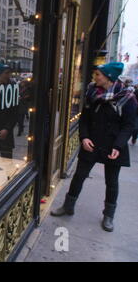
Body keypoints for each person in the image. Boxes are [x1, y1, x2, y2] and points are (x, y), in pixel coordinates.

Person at [51, 62, 137, 232]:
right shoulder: (92, 91)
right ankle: (68, 206)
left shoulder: (127, 97)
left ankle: (108, 216)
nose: (95, 77)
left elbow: (129, 125)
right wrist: (84, 138)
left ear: (108, 77)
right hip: (91, 142)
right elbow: (84, 119)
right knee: (79, 175)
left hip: (113, 145)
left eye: (98, 75)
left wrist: (119, 146)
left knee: (111, 182)